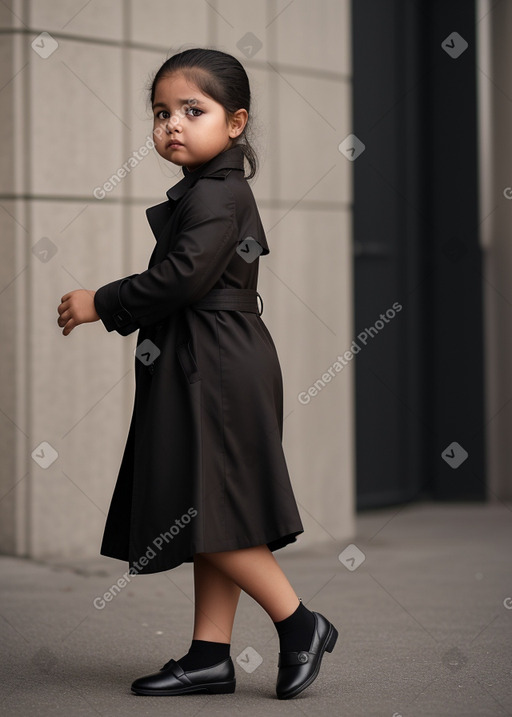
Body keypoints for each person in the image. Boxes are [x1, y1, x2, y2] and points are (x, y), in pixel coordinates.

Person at [57, 47, 337, 700]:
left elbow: (181, 278)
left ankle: (301, 624)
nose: (171, 125)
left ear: (235, 122)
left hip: (217, 367)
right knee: (207, 509)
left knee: (209, 508)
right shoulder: (210, 190)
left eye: (192, 110)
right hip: (206, 359)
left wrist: (99, 301)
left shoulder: (219, 193)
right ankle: (210, 654)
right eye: (161, 113)